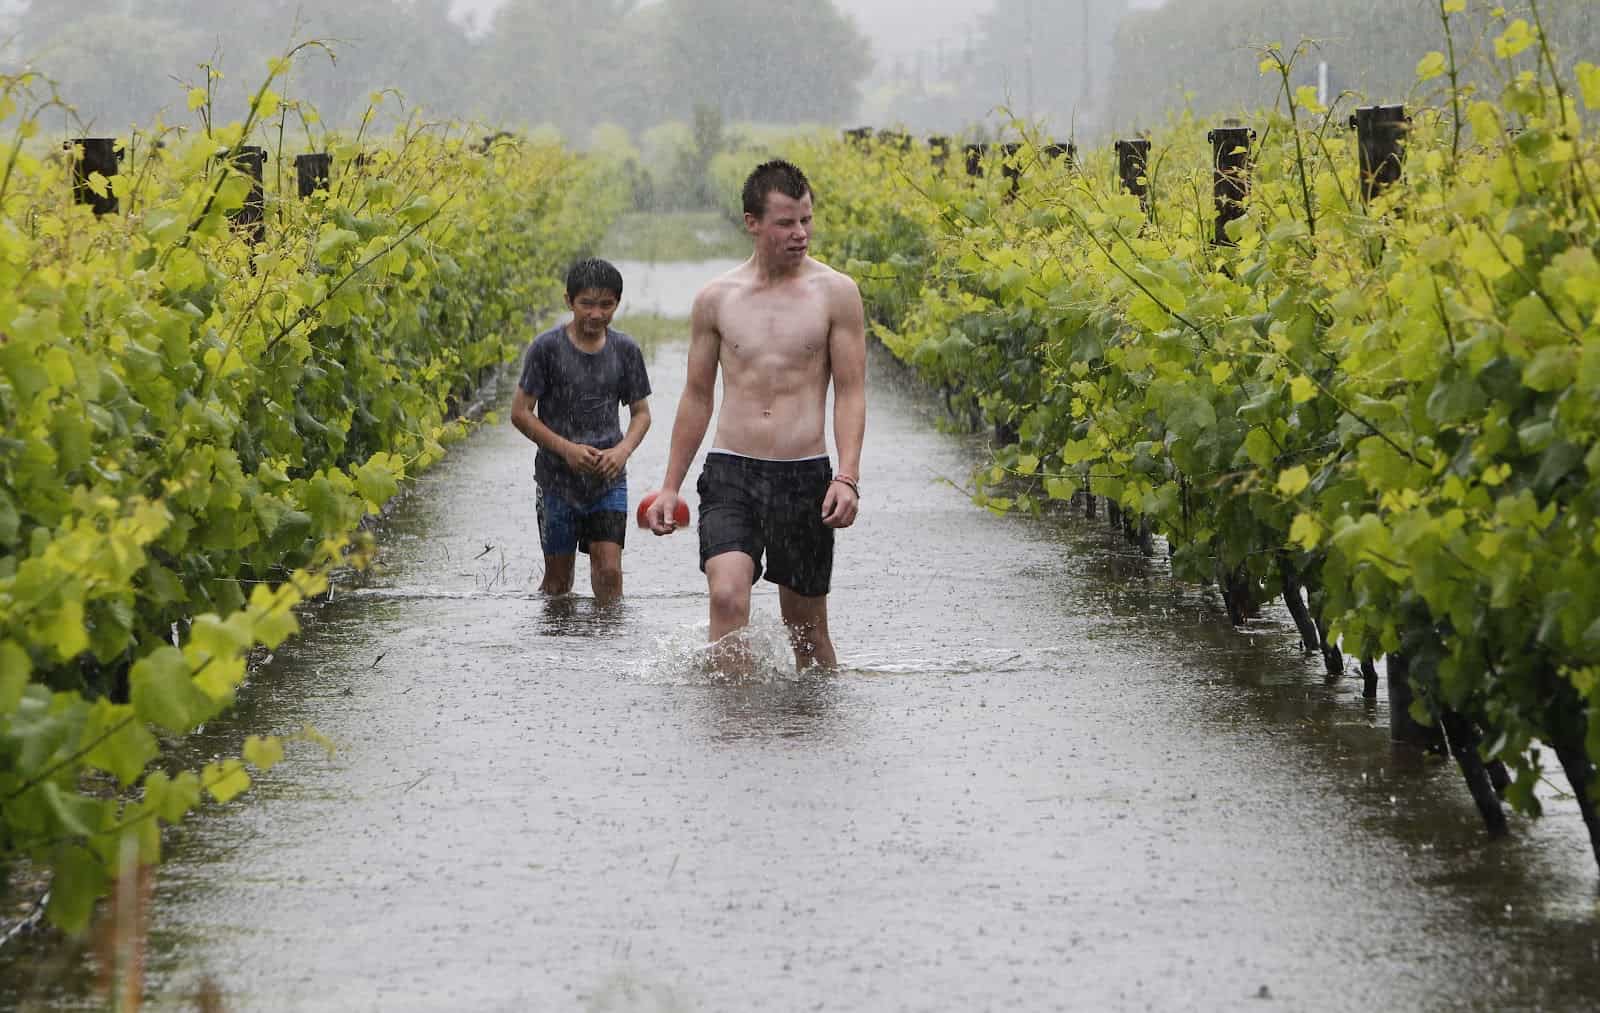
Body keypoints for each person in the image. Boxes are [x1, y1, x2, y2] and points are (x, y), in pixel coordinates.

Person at [646, 159, 866, 669]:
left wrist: (848, 478)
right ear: (752, 222)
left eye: (806, 220)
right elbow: (697, 396)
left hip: (804, 477)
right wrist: (670, 485)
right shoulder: (716, 299)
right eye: (786, 222)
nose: (800, 233)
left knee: (807, 634)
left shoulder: (837, 294)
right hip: (731, 474)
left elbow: (851, 392)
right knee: (727, 599)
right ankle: (735, 735)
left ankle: (810, 731)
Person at [512, 258, 652, 603]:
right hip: (556, 480)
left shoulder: (626, 351)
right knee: (558, 585)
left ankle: (609, 650)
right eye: (586, 304)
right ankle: (560, 651)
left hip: (608, 479)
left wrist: (621, 452)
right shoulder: (546, 349)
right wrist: (567, 450)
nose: (596, 314)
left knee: (609, 573)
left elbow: (641, 414)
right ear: (569, 301)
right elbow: (520, 413)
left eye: (606, 305)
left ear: (617, 303)